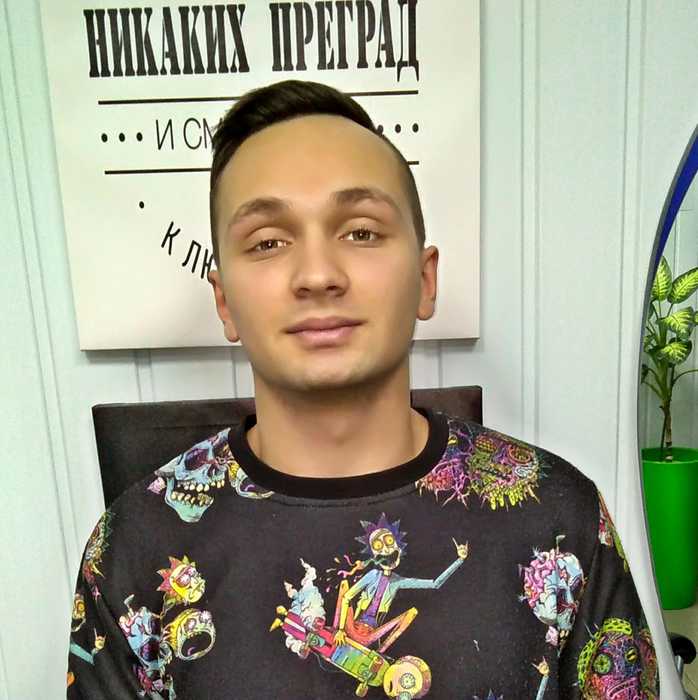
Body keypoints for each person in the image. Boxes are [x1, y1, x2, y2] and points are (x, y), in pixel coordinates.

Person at [66, 80, 659, 699]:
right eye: (268, 242)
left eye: (361, 232)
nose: (318, 274)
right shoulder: (133, 548)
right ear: (224, 301)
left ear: (426, 280)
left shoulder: (560, 519)